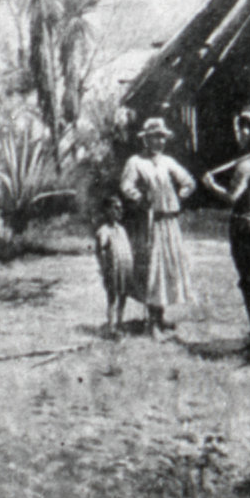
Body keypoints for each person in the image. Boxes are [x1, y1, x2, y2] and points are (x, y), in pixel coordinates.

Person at [200, 111, 250, 357]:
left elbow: (232, 198)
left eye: (238, 130)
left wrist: (211, 185)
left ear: (247, 131)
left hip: (244, 226)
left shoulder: (246, 164)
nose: (237, 136)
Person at [120, 117, 196, 336]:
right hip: (149, 222)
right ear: (146, 139)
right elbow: (126, 186)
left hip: (169, 221)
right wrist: (140, 198)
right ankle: (151, 322)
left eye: (162, 138)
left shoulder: (168, 162)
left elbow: (188, 181)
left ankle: (160, 317)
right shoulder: (135, 162)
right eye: (155, 137)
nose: (159, 142)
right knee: (152, 269)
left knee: (166, 269)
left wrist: (181, 194)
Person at [94, 195, 135, 338]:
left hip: (124, 268)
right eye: (115, 208)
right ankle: (111, 327)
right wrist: (104, 268)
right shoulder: (103, 231)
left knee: (123, 295)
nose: (119, 211)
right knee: (112, 297)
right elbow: (100, 251)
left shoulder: (122, 230)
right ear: (107, 210)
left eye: (120, 208)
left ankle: (120, 322)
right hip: (112, 269)